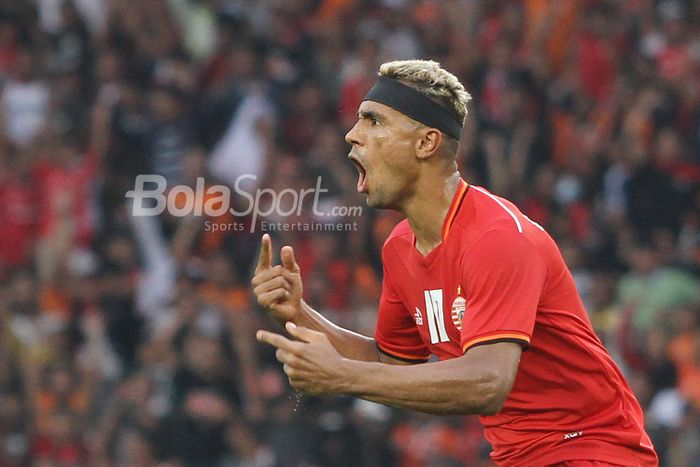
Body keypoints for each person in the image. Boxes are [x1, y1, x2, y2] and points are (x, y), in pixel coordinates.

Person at [252, 60, 658, 466]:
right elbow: (390, 364)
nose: (352, 134)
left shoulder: (495, 238)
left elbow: (487, 382)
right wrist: (298, 315)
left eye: (373, 121)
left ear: (426, 143)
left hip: (592, 449)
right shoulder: (399, 247)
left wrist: (342, 376)